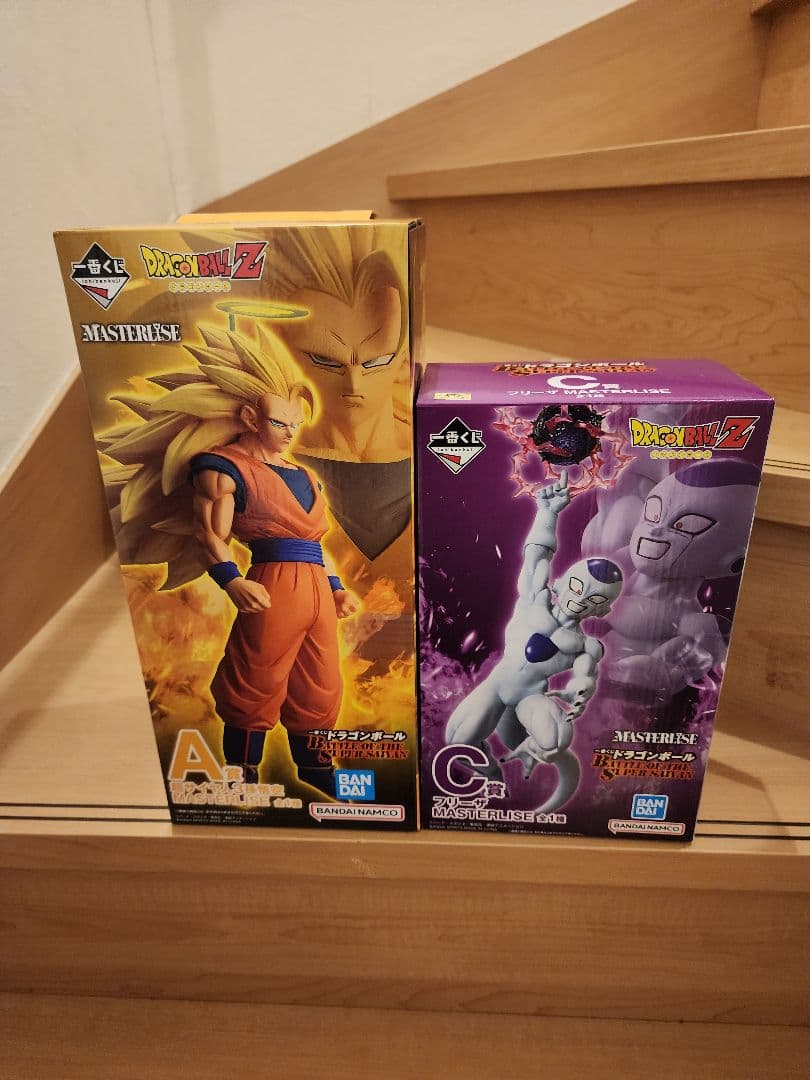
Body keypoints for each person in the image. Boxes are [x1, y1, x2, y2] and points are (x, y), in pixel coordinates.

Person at [100, 322, 358, 789]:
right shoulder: (222, 468)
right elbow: (208, 534)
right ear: (250, 417)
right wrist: (232, 580)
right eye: (279, 423)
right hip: (272, 582)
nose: (289, 433)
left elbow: (315, 544)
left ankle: (317, 768)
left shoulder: (304, 474)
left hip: (317, 587)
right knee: (255, 674)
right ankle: (243, 770)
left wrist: (337, 589)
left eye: (295, 424)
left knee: (320, 682)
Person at [445, 471, 622, 812]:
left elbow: (585, 678)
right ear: (561, 584)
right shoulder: (532, 599)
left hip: (531, 697)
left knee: (555, 739)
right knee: (458, 742)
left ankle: (532, 756)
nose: (581, 600)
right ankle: (492, 774)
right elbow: (536, 558)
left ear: (603, 609)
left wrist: (579, 692)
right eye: (577, 588)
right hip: (497, 686)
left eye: (595, 599)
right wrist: (548, 513)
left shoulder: (585, 646)